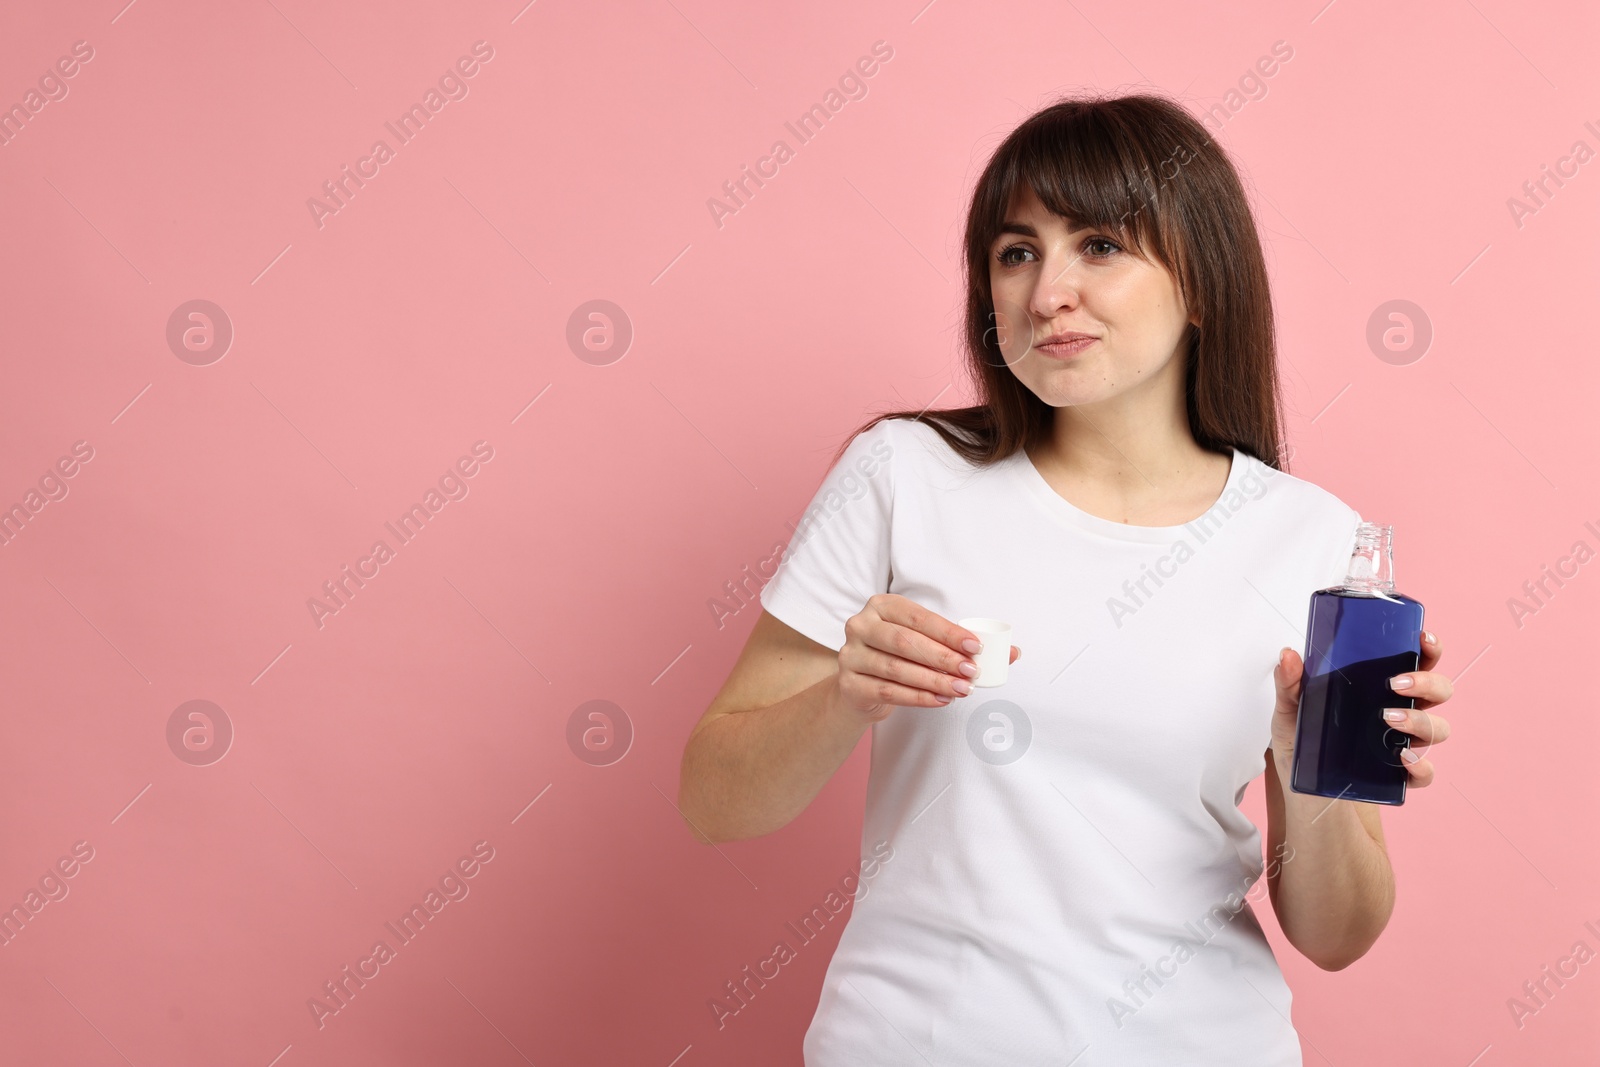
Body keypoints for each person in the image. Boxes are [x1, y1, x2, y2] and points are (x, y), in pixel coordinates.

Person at [676, 92, 1455, 1065]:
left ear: (1202, 280)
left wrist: (1320, 771)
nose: (1046, 293)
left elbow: (1336, 934)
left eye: (1098, 245)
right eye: (1015, 252)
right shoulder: (902, 475)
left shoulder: (1312, 540)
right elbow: (714, 801)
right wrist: (844, 693)